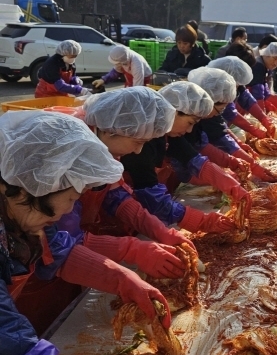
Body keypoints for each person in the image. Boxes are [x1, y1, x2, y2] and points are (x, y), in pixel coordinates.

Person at [0, 110, 177, 355]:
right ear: (27, 190)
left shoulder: (17, 215)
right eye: (69, 199)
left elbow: (58, 251)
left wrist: (123, 278)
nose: (70, 211)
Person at [56, 88, 196, 254]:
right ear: (110, 130)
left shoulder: (103, 146)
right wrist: (131, 250)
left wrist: (160, 231)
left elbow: (116, 196)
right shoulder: (70, 153)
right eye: (138, 142)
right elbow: (59, 242)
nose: (138, 151)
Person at [121, 81, 251, 214]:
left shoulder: (167, 135)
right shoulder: (141, 144)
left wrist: (232, 185)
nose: (189, 131)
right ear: (173, 112)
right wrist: (201, 221)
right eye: (190, 122)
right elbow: (153, 196)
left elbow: (196, 161)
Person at [247, 41, 277, 111]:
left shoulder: (265, 67)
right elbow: (258, 93)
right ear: (267, 54)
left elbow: (266, 93)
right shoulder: (258, 66)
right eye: (275, 58)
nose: (275, 63)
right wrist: (263, 116)